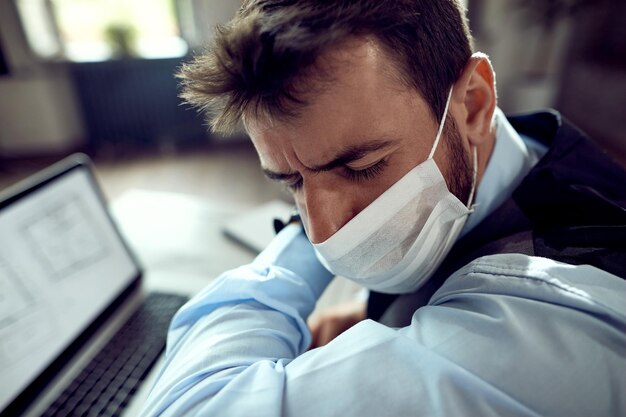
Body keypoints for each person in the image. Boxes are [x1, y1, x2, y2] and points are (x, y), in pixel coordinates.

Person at [140, 1, 626, 416]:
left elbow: (196, 406)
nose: (324, 231)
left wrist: (287, 264)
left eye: (362, 166)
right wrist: (383, 311)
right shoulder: (509, 151)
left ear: (474, 104)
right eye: (291, 182)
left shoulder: (543, 324)